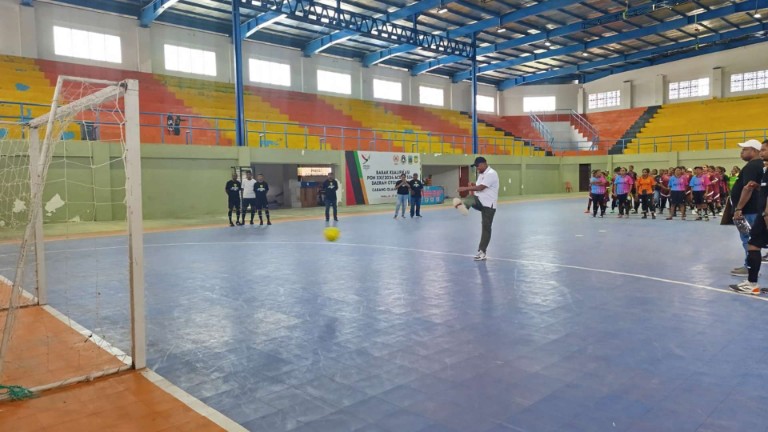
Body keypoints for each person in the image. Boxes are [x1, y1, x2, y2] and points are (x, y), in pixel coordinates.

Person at [730, 140, 768, 295]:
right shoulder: (765, 169)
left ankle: (751, 281)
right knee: (753, 244)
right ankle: (751, 283)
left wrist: (766, 214)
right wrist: (758, 187)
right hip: (761, 213)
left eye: (764, 150)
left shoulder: (754, 166)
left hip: (762, 214)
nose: (762, 152)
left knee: (751, 243)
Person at [453, 157, 499, 261]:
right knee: (471, 198)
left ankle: (482, 252)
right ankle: (464, 207)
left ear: (484, 164)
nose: (477, 168)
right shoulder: (482, 175)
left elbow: (480, 188)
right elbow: (477, 188)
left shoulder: (491, 173)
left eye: (478, 166)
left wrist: (465, 188)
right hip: (481, 201)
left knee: (486, 228)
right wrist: (472, 186)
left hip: (489, 206)